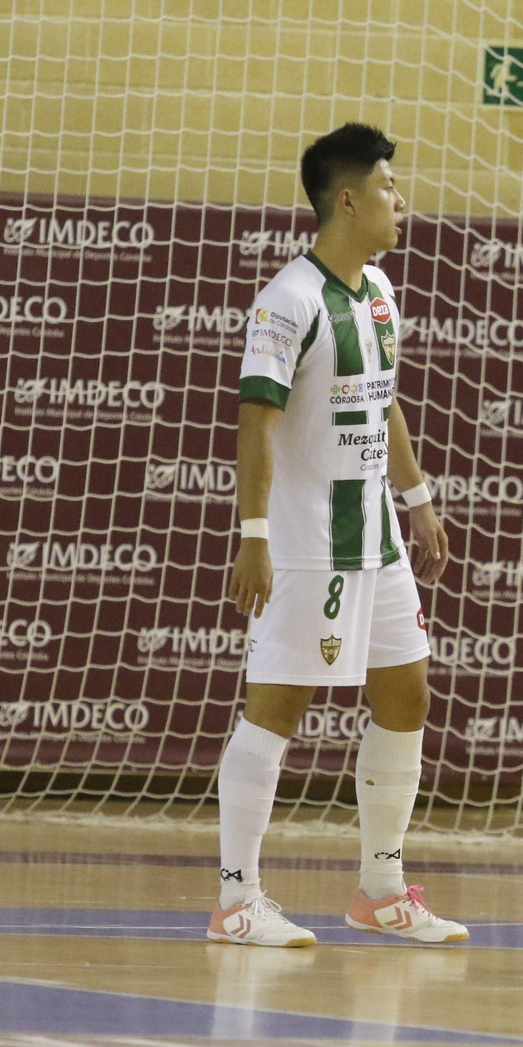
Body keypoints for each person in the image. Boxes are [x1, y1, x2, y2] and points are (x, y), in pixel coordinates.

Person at [209, 122, 467, 946]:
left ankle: (381, 890)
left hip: (379, 539)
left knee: (408, 697)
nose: (402, 200)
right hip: (307, 540)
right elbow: (256, 420)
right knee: (277, 708)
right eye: (390, 186)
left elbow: (381, 396)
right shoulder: (288, 300)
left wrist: (417, 495)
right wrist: (254, 535)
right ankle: (236, 899)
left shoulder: (382, 291)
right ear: (347, 199)